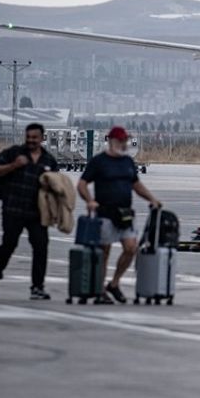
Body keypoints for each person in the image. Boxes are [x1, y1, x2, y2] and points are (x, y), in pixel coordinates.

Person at [77, 126, 160, 304]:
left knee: (131, 248)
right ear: (111, 141)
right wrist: (89, 200)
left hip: (125, 214)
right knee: (104, 251)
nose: (124, 144)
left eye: (125, 141)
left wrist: (152, 198)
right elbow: (82, 184)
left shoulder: (128, 162)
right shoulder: (99, 161)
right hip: (105, 213)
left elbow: (136, 185)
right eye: (120, 140)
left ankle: (114, 283)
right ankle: (99, 290)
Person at [0, 123, 60, 300]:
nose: (31, 141)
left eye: (34, 138)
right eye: (28, 137)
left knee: (41, 247)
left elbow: (57, 186)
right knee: (9, 244)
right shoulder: (14, 153)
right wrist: (13, 165)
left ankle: (37, 287)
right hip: (13, 208)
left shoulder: (49, 160)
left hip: (37, 213)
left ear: (42, 138)